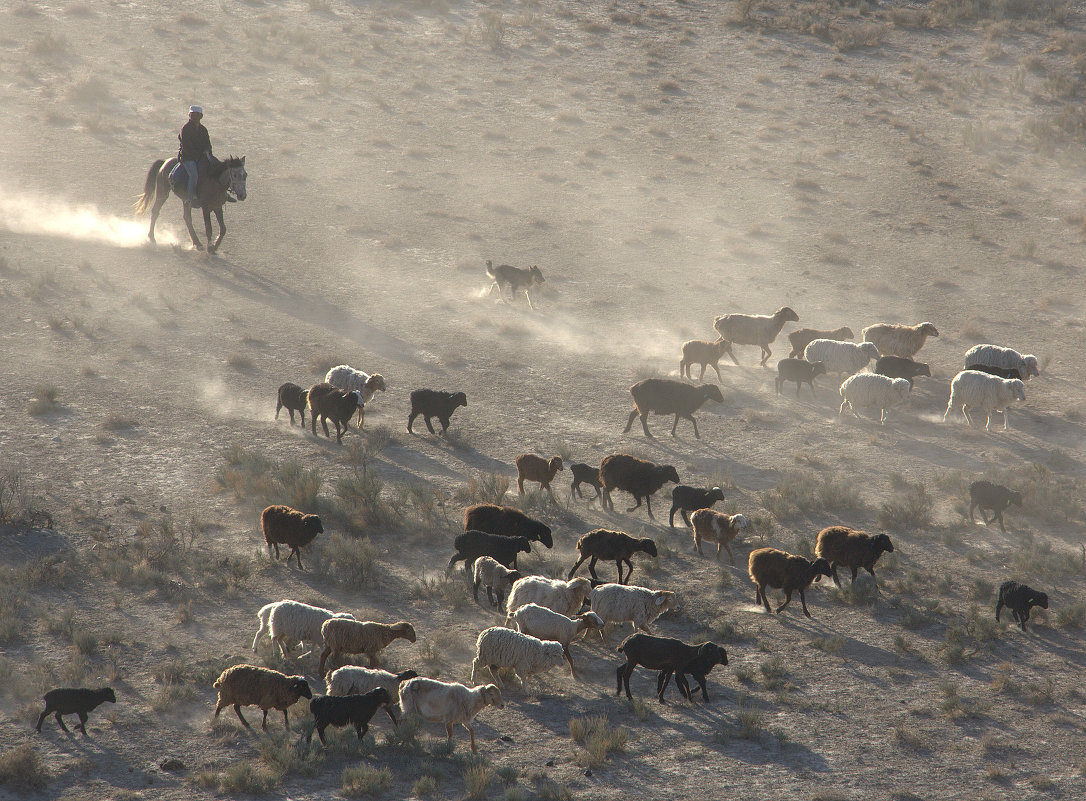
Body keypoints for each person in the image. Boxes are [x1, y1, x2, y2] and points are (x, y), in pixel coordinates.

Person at [178, 105, 212, 207]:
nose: (195, 117)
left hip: (202, 157)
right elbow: (187, 145)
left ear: (201, 116)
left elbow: (208, 143)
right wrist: (199, 155)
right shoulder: (186, 128)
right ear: (189, 115)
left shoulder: (203, 129)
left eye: (197, 115)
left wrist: (207, 151)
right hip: (188, 157)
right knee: (194, 175)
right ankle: (190, 198)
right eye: (192, 115)